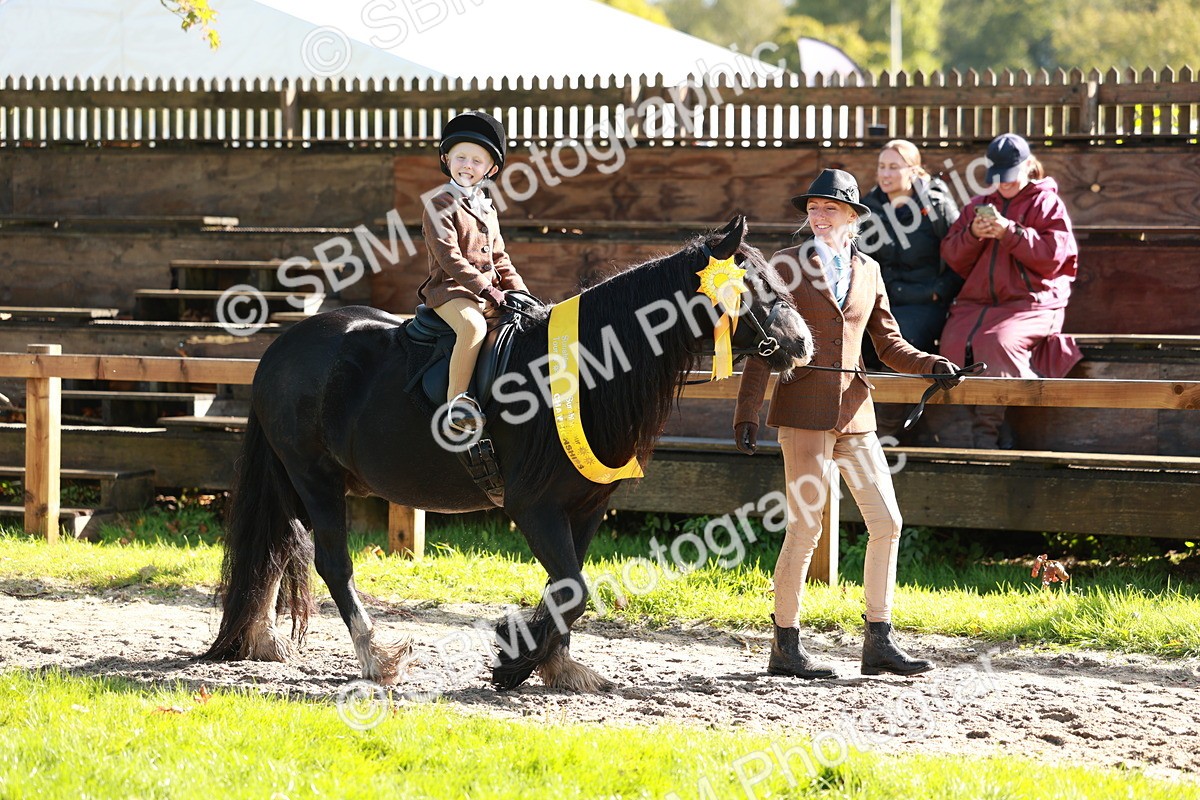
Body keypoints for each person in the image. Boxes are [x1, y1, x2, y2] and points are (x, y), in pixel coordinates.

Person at [733, 168, 962, 679]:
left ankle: (878, 641)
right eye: (812, 208)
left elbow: (887, 343)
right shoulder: (785, 267)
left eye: (828, 208)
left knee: (887, 521)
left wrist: (932, 364)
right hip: (802, 412)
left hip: (856, 413)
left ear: (853, 217)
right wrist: (747, 411)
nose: (817, 215)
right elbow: (759, 344)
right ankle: (785, 646)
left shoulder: (871, 271)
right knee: (805, 528)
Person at [939, 133, 1081, 448]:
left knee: (996, 343)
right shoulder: (978, 205)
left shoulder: (1047, 203)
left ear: (1028, 166)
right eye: (998, 177)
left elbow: (1052, 259)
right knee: (951, 344)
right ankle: (994, 432)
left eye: (1010, 176)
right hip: (977, 305)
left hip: (1034, 305)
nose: (1004, 184)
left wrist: (1010, 232)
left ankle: (985, 437)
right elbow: (951, 254)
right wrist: (973, 234)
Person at [419, 111, 528, 433]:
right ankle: (458, 402)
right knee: (473, 328)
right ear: (446, 159)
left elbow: (500, 256)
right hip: (451, 291)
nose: (468, 165)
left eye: (477, 161)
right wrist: (488, 289)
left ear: (490, 169)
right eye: (461, 157)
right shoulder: (439, 203)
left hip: (488, 293)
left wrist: (520, 291)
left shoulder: (487, 207)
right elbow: (449, 256)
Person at [859, 139, 963, 436]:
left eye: (894, 166)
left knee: (898, 340)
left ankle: (888, 433)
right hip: (886, 299)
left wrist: (939, 291)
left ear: (914, 170)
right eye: (882, 166)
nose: (886, 173)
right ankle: (859, 425)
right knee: (859, 337)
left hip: (926, 302)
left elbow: (959, 254)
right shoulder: (870, 207)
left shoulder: (937, 204)